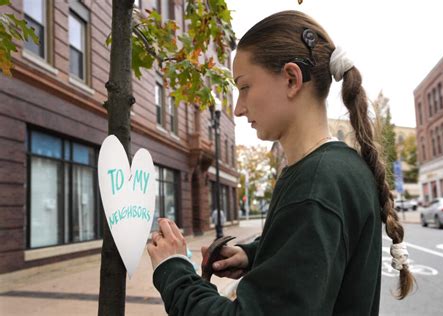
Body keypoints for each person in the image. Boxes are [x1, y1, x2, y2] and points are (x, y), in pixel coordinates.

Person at [147, 10, 415, 315]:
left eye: (244, 87)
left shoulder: (316, 184)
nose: (237, 108)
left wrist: (174, 271)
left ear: (291, 79)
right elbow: (318, 255)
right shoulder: (341, 168)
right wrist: (253, 255)